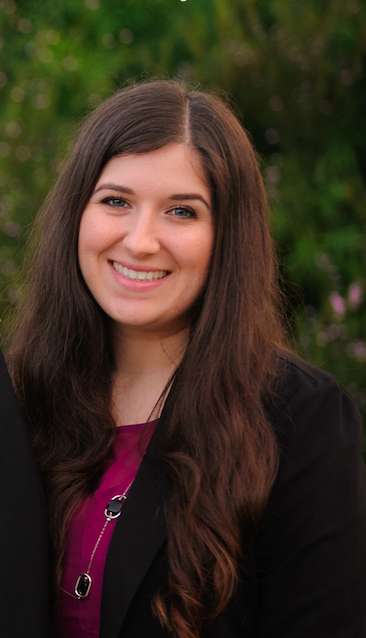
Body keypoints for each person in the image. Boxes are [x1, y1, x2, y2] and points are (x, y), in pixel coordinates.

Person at [5, 79, 366, 638]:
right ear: (77, 214)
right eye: (116, 201)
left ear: (228, 236)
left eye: (181, 211)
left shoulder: (301, 422)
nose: (141, 240)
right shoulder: (20, 400)